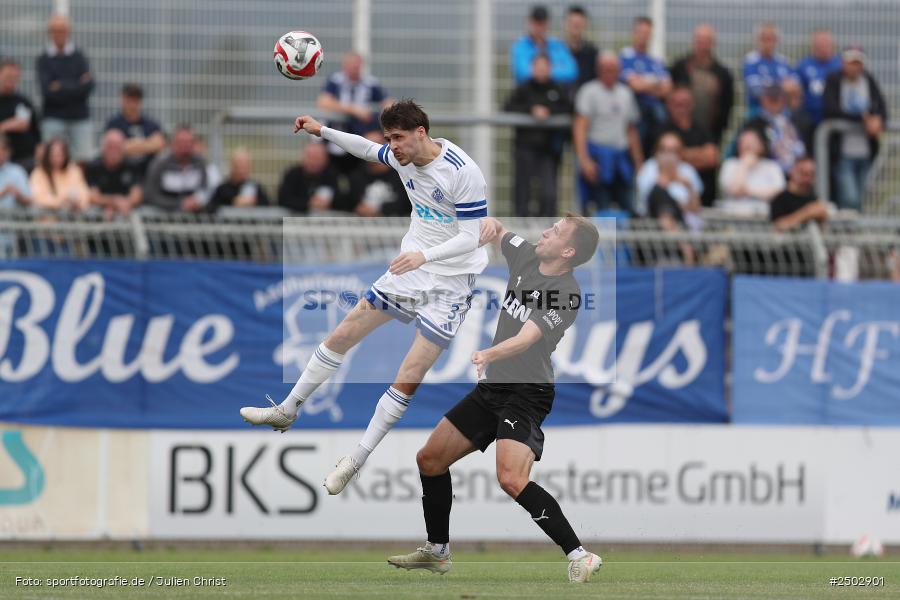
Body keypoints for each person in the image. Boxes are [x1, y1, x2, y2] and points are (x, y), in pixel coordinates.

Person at [241, 100, 490, 496]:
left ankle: (356, 458)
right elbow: (363, 147)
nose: (392, 148)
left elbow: (470, 237)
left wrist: (422, 255)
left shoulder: (463, 172)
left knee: (408, 377)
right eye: (389, 139)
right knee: (342, 333)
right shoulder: (399, 157)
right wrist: (322, 131)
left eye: (399, 138)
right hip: (411, 270)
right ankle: (288, 408)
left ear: (421, 132)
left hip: (452, 281)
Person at [386, 214, 603, 584]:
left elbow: (527, 338)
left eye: (556, 231)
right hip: (494, 389)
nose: (546, 230)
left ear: (568, 251)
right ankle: (438, 551)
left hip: (527, 391)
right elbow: (499, 230)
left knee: (510, 478)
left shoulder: (567, 293)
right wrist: (487, 225)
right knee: (430, 459)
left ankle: (580, 555)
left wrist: (488, 354)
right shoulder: (527, 255)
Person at [573, 52, 642, 215]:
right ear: (598, 70)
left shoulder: (626, 93)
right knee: (601, 206)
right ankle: (604, 240)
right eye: (605, 68)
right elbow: (579, 127)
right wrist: (584, 160)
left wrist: (638, 161)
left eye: (613, 68)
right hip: (598, 158)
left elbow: (631, 130)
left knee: (626, 205)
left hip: (621, 159)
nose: (609, 72)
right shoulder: (589, 91)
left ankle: (623, 241)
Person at [822, 45, 888, 211]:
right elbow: (830, 110)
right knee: (849, 197)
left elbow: (881, 109)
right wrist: (862, 119)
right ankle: (847, 232)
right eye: (851, 62)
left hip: (865, 150)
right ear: (843, 63)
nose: (854, 67)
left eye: (857, 63)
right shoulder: (834, 80)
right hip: (842, 151)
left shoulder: (868, 80)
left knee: (860, 197)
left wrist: (878, 121)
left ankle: (853, 232)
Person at [505, 54, 571, 217]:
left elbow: (568, 109)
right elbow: (508, 108)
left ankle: (546, 228)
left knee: (548, 193)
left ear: (550, 69)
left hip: (548, 150)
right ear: (533, 69)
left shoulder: (557, 89)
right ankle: (521, 231)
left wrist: (549, 112)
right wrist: (531, 110)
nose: (541, 70)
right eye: (538, 66)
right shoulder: (524, 89)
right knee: (523, 191)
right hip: (524, 148)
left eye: (545, 66)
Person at [317, 51, 393, 176]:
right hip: (336, 133)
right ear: (344, 66)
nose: (354, 68)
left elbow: (387, 102)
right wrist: (354, 110)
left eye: (357, 65)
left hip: (364, 134)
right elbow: (323, 102)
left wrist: (385, 124)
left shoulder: (370, 83)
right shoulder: (335, 81)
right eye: (351, 64)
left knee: (380, 147)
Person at [36, 14, 95, 162]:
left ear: (69, 32)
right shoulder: (44, 59)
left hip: (80, 118)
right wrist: (76, 85)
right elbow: (47, 92)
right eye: (55, 30)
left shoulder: (80, 56)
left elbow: (88, 87)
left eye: (62, 30)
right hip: (53, 117)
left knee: (83, 160)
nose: (59, 34)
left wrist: (60, 85)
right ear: (50, 33)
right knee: (50, 160)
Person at [669, 23, 734, 145]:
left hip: (710, 134)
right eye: (699, 40)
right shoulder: (680, 67)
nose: (702, 45)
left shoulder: (723, 74)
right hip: (679, 133)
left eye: (706, 41)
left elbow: (726, 108)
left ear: (713, 43)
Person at [619, 16, 672, 157]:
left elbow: (667, 90)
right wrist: (656, 84)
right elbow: (634, 86)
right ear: (633, 33)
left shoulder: (656, 61)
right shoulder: (625, 57)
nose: (643, 36)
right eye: (640, 32)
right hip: (636, 116)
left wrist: (645, 83)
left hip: (656, 120)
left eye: (647, 33)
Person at [657, 86, 719, 206]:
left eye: (685, 104)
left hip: (704, 196)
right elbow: (660, 159)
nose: (682, 109)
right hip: (671, 197)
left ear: (692, 105)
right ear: (669, 106)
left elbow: (712, 158)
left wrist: (682, 154)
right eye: (678, 104)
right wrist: (700, 154)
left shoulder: (701, 128)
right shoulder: (663, 129)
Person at [742, 84, 806, 175]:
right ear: (762, 99)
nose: (774, 101)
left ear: (784, 99)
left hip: (797, 172)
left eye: (777, 97)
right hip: (767, 174)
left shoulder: (797, 120)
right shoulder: (753, 124)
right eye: (770, 97)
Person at [104, 83, 166, 176]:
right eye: (129, 100)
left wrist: (131, 145)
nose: (132, 104)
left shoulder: (151, 124)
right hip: (123, 174)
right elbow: (114, 149)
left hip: (148, 172)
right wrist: (147, 144)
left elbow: (160, 144)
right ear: (122, 99)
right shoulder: (114, 124)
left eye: (135, 100)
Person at [717, 129, 785, 213]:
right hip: (734, 214)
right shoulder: (729, 164)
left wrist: (749, 192)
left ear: (762, 145)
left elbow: (779, 191)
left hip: (764, 215)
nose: (747, 145)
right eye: (743, 141)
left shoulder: (772, 166)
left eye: (752, 141)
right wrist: (744, 166)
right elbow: (733, 190)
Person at [143, 125, 208, 212]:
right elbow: (150, 195)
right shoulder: (160, 163)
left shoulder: (199, 163)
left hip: (194, 220)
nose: (185, 146)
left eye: (189, 142)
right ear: (173, 143)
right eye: (181, 142)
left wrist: (197, 200)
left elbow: (204, 188)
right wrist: (179, 204)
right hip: (162, 218)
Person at [347, 131, 411, 217]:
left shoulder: (401, 173)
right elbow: (349, 202)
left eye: (374, 145)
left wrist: (379, 210)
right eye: (365, 146)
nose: (370, 150)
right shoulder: (356, 176)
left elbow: (406, 204)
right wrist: (357, 208)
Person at [510, 5, 577, 86]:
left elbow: (571, 72)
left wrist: (540, 72)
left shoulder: (558, 46)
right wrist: (552, 70)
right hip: (528, 95)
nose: (539, 27)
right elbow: (522, 73)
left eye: (542, 23)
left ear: (548, 24)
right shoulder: (520, 47)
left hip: (554, 94)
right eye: (536, 23)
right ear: (529, 22)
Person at [84, 129, 142, 219]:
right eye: (110, 147)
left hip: (126, 208)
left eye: (118, 147)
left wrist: (124, 203)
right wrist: (113, 202)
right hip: (101, 209)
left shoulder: (132, 165)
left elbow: (137, 195)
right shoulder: (93, 166)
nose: (114, 152)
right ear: (104, 148)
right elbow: (93, 197)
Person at [743, 23, 795, 118]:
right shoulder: (751, 61)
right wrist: (781, 86)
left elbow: (793, 88)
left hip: (783, 113)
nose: (767, 43)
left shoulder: (783, 62)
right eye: (764, 39)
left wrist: (769, 86)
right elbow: (755, 90)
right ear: (757, 40)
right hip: (757, 111)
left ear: (777, 41)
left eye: (771, 39)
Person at [277, 142, 342, 213]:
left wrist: (327, 203)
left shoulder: (331, 175)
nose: (313, 162)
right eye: (310, 157)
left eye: (317, 158)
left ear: (325, 159)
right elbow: (283, 199)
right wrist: (309, 203)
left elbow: (341, 200)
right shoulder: (292, 174)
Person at [0, 59, 41, 171]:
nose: (11, 80)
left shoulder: (23, 101)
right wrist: (8, 125)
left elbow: (29, 127)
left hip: (24, 159)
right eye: (8, 76)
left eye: (15, 77)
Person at [795, 29, 841, 126]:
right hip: (810, 117)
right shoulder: (803, 66)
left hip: (835, 117)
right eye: (818, 44)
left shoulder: (840, 66)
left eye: (825, 43)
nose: (822, 47)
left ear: (831, 45)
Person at [29, 137, 90, 210]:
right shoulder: (38, 173)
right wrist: (62, 201)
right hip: (47, 218)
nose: (57, 159)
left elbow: (85, 194)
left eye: (60, 155)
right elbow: (38, 198)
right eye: (54, 155)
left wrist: (78, 203)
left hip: (71, 218)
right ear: (47, 156)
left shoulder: (74, 170)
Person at [770, 156, 829, 231]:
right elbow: (778, 226)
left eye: (812, 173)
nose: (808, 177)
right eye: (803, 173)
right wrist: (808, 212)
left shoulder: (813, 197)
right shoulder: (780, 199)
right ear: (792, 171)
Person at [206, 148, 270, 213]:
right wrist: (233, 201)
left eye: (244, 165)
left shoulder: (255, 187)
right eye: (238, 164)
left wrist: (253, 202)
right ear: (232, 165)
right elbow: (211, 206)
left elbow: (268, 206)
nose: (241, 169)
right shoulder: (223, 189)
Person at [563, 5, 599, 91]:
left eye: (578, 24)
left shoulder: (592, 52)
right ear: (565, 24)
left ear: (585, 25)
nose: (575, 26)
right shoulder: (557, 50)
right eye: (572, 23)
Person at [0, 134, 31, 209]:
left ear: (9, 152)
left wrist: (18, 195)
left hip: (13, 218)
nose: (1, 153)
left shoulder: (17, 171)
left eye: (3, 149)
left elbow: (29, 201)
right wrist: (3, 193)